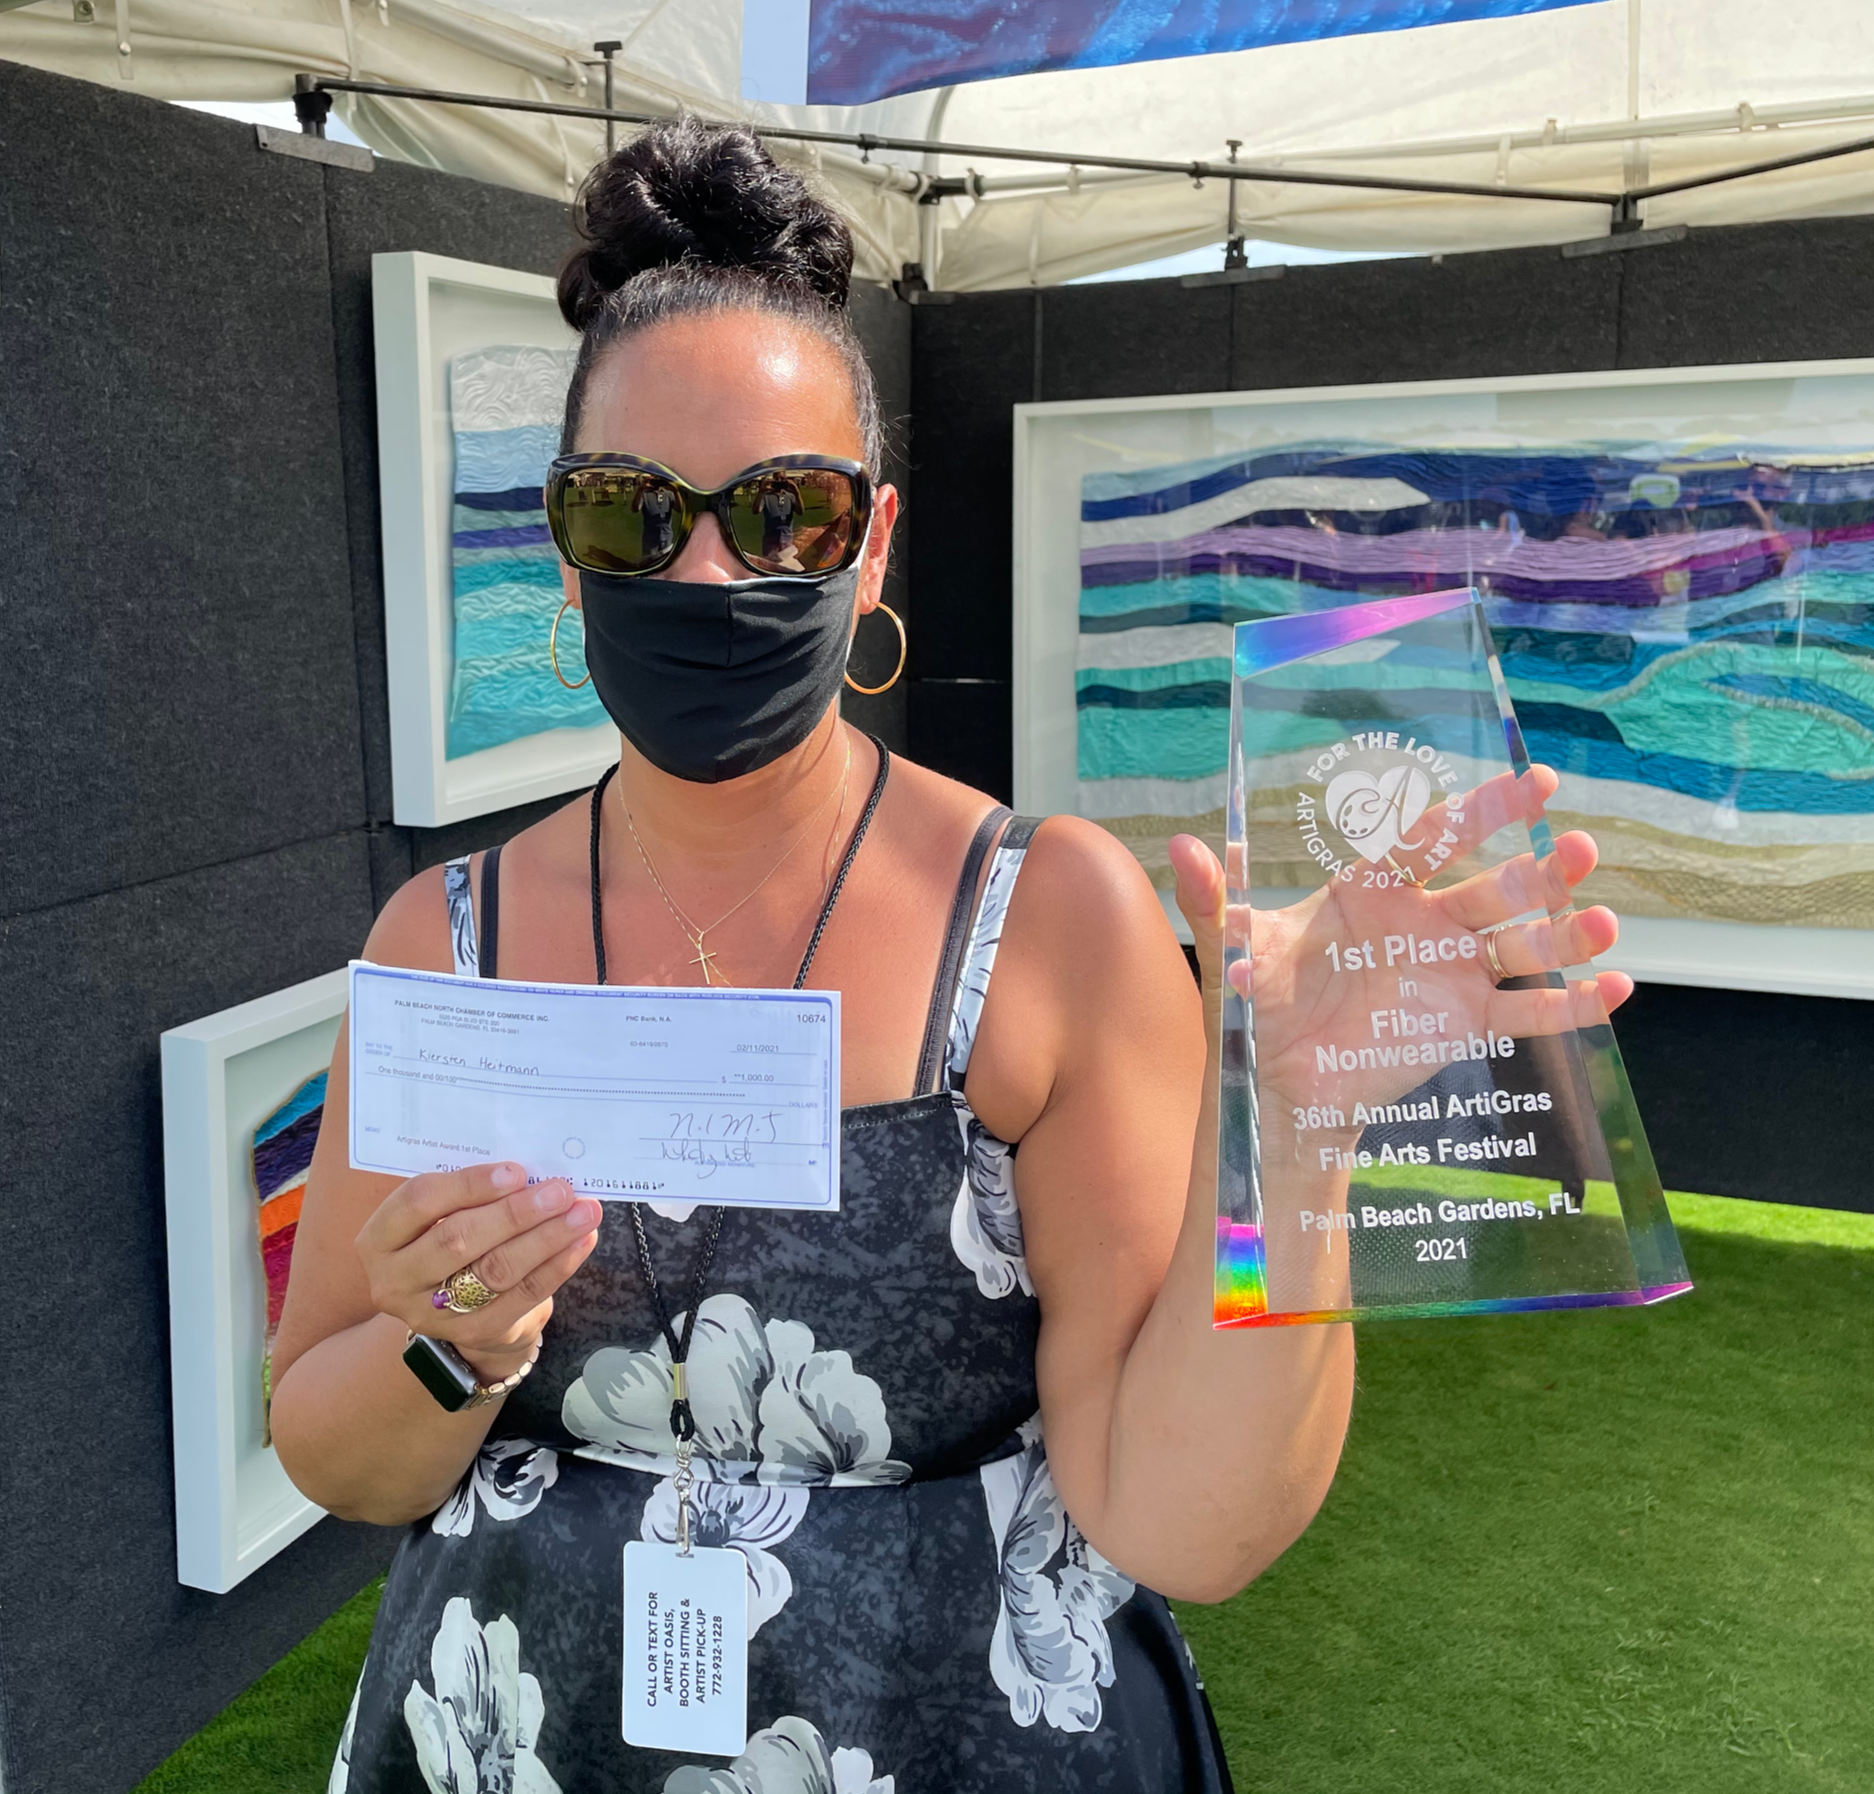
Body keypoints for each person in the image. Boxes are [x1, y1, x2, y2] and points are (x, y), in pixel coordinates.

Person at [271, 118, 1630, 1794]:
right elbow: (337, 1448)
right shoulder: (443, 941)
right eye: (636, 514)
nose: (711, 567)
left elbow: (1176, 1520)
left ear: (877, 540)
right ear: (567, 543)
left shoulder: (1052, 917)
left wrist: (1297, 1132)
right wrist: (450, 1338)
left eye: (785, 512)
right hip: (500, 1740)